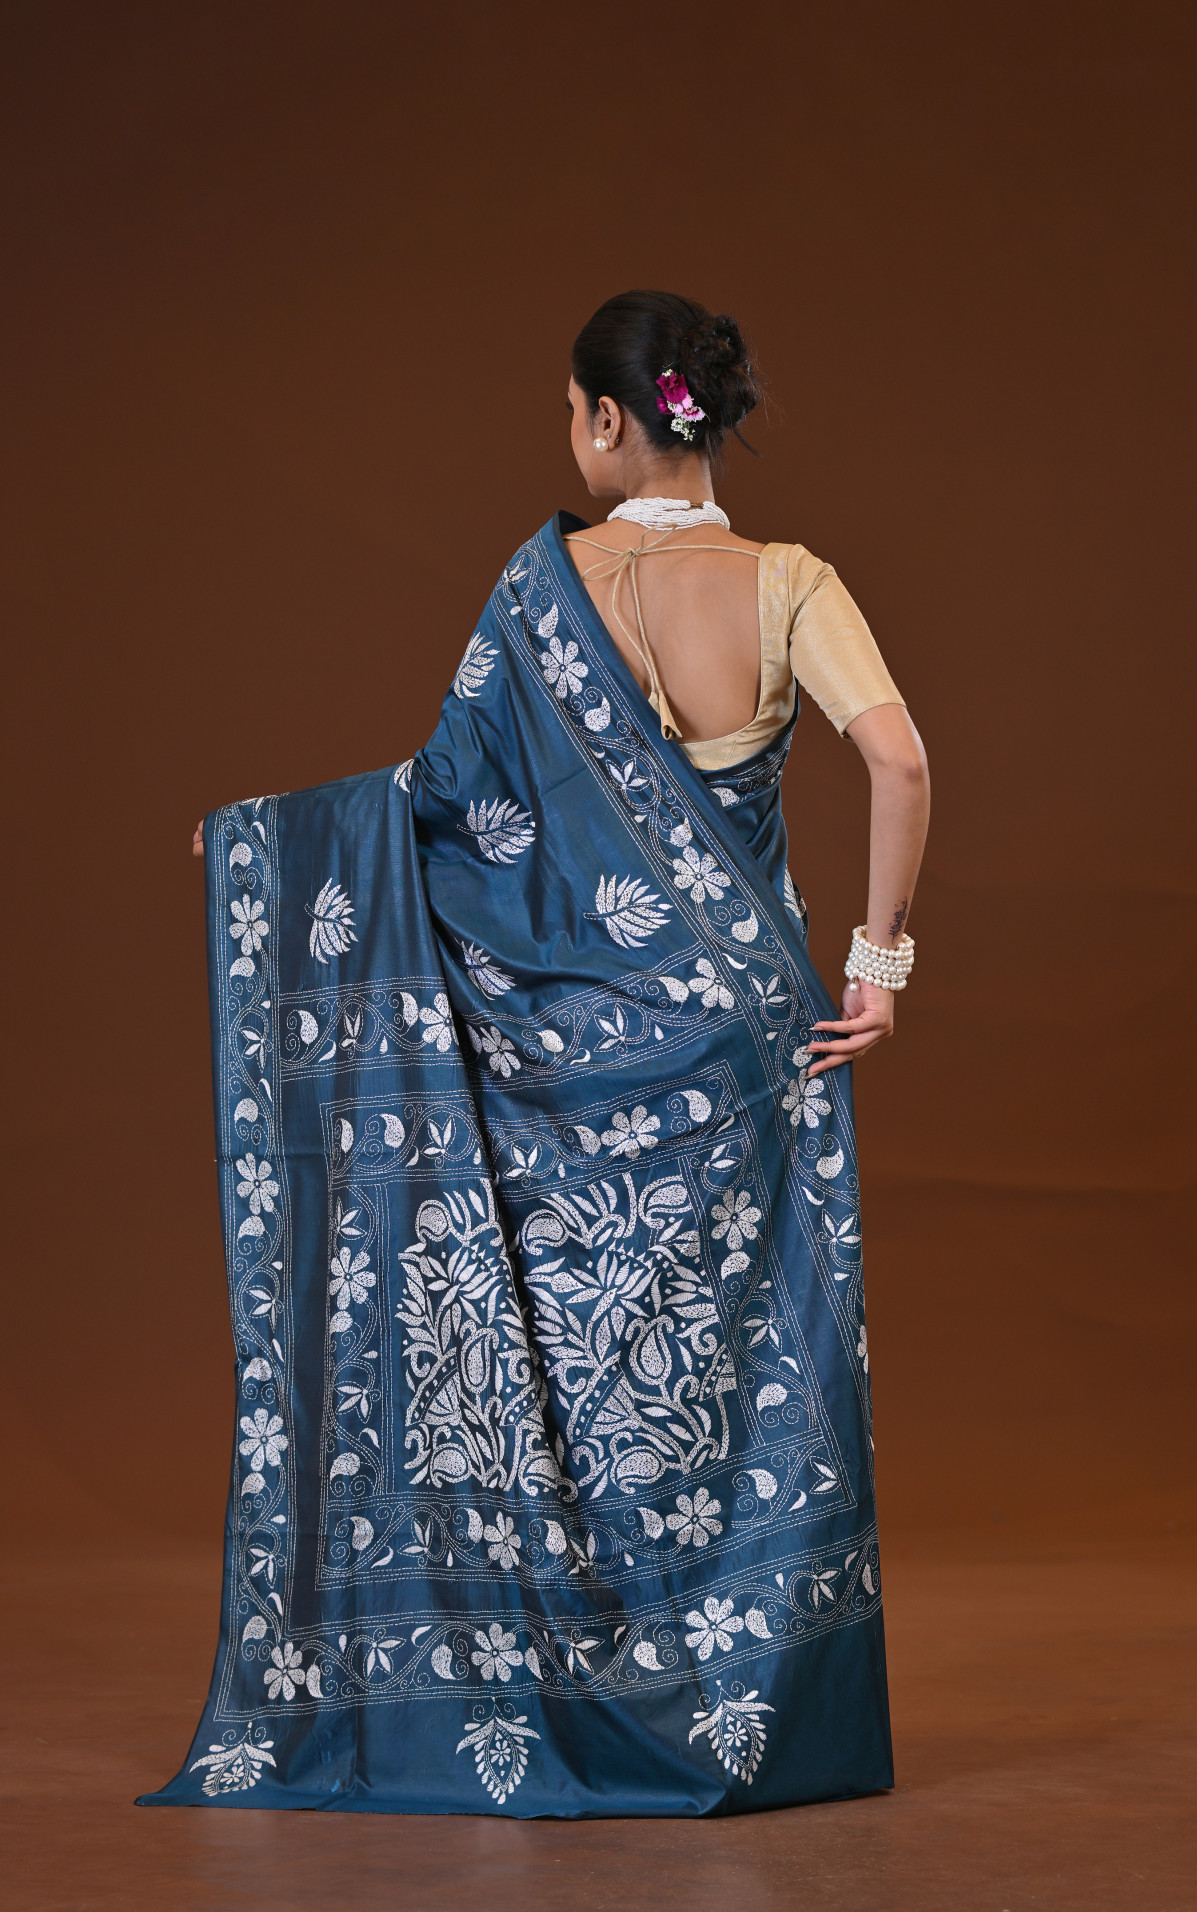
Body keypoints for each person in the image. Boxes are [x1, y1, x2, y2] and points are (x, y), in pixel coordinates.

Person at [156, 291, 929, 1817]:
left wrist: (264, 853)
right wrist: (877, 963)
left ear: (604, 418)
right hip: (750, 1030)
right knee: (737, 1361)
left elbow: (441, 802)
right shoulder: (789, 582)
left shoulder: (539, 590)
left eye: (570, 413)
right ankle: (749, 1714)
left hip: (571, 1034)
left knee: (577, 1356)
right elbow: (897, 758)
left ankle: (578, 1683)